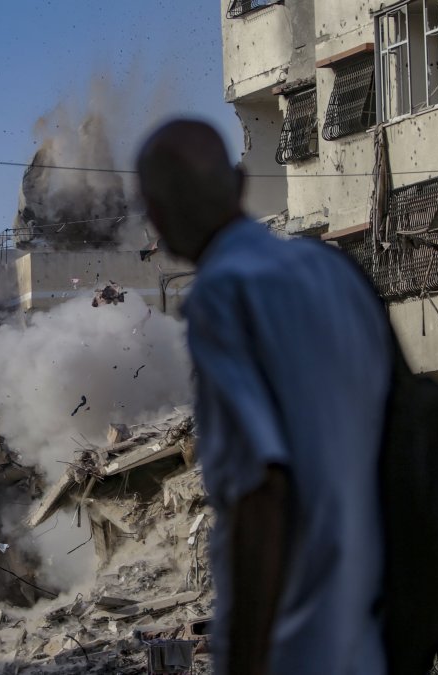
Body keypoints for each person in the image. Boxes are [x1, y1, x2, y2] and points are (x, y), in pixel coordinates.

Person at [137, 119, 394, 675]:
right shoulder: (332, 271)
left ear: (156, 217)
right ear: (238, 180)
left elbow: (261, 493)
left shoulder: (222, 294)